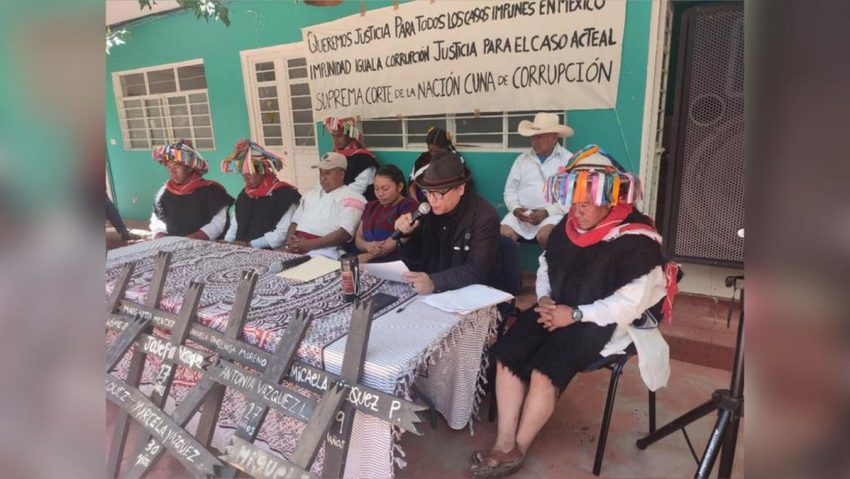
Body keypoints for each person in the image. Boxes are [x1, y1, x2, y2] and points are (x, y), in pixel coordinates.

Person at [470, 145, 677, 478]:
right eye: (574, 201)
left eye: (586, 202)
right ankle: (503, 442)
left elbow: (628, 305)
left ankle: (518, 448)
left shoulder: (639, 240)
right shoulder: (568, 227)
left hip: (602, 320)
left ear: (610, 199)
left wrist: (575, 315)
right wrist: (545, 298)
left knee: (546, 369)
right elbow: (545, 265)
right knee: (508, 353)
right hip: (558, 306)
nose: (576, 211)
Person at [394, 151, 500, 294]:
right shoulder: (426, 210)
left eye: (438, 194)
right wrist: (406, 237)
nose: (432, 200)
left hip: (471, 294)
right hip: (432, 293)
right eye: (427, 192)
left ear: (460, 188)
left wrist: (434, 282)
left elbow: (478, 269)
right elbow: (415, 260)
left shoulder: (484, 216)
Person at [500, 112, 574, 249]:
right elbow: (510, 191)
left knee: (546, 236)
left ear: (554, 137)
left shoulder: (568, 160)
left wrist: (546, 212)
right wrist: (516, 209)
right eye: (533, 137)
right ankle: (511, 263)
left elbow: (571, 197)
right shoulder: (522, 160)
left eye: (539, 137)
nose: (534, 141)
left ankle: (550, 264)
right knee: (502, 235)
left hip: (552, 215)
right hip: (522, 215)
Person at [283, 152, 366, 260]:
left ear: (342, 175)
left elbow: (344, 233)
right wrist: (291, 241)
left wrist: (309, 245)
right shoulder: (310, 195)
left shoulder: (353, 198)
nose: (322, 178)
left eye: (327, 173)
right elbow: (295, 222)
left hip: (325, 251)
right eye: (321, 173)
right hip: (296, 247)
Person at [221, 139, 301, 249]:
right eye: (243, 174)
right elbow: (237, 222)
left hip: (270, 251)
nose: (246, 178)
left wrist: (250, 245)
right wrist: (227, 241)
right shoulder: (245, 195)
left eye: (250, 173)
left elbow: (282, 233)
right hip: (242, 248)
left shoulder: (285, 194)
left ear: (262, 171)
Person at [149, 140, 234, 240]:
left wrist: (191, 239)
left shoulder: (212, 191)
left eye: (177, 166)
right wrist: (161, 236)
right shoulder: (163, 193)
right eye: (169, 167)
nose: (172, 171)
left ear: (189, 168)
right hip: (171, 243)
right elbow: (157, 220)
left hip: (205, 244)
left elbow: (218, 224)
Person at [354, 165, 419, 264]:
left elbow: (398, 238)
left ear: (399, 186)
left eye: (385, 189)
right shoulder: (370, 206)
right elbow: (358, 238)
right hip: (366, 263)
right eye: (376, 189)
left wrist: (368, 255)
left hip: (395, 264)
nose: (380, 194)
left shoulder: (409, 206)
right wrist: (367, 246)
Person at [324, 117, 379, 201]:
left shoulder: (364, 159)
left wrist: (335, 197)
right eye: (333, 136)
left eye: (339, 136)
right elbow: (324, 179)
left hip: (357, 202)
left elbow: (359, 187)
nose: (335, 140)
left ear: (350, 136)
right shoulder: (333, 156)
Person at [408, 127, 461, 202]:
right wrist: (415, 199)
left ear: (445, 148)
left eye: (436, 151)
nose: (433, 154)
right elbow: (413, 183)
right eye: (430, 150)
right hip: (420, 200)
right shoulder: (422, 159)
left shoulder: (454, 161)